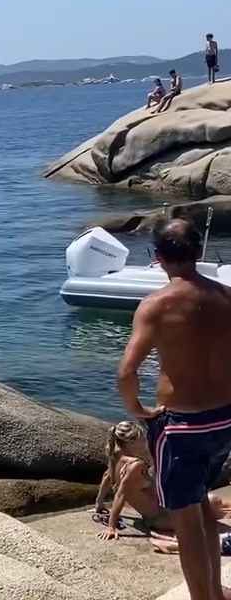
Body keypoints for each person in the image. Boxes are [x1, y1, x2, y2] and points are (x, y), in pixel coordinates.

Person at [118, 218, 231, 600]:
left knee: (186, 522)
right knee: (202, 509)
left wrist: (138, 409)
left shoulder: (156, 305)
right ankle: (214, 593)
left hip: (181, 425)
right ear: (198, 253)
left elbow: (127, 371)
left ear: (158, 258)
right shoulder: (226, 297)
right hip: (224, 419)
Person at [93, 421, 229, 544]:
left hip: (160, 513)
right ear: (130, 442)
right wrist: (111, 526)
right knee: (211, 507)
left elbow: (106, 477)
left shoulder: (115, 458)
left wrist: (99, 503)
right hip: (160, 518)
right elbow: (121, 495)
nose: (145, 443)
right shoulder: (135, 465)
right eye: (142, 439)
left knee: (213, 502)